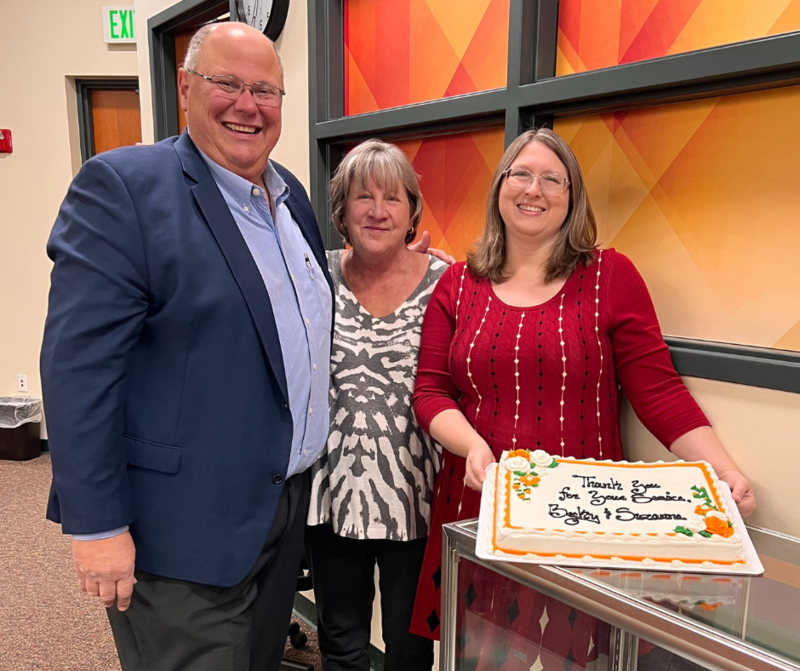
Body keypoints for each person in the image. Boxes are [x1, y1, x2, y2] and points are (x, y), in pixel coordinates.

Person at [41, 22, 333, 671]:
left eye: (265, 89)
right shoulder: (124, 190)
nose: (247, 104)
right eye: (227, 83)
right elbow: (78, 367)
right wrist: (96, 523)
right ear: (185, 88)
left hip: (280, 507)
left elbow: (285, 313)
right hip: (179, 527)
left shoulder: (291, 198)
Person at [408, 128, 755, 666]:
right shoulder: (458, 284)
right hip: (480, 506)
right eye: (521, 174)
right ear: (499, 187)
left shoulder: (610, 276)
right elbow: (431, 391)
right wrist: (473, 447)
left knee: (572, 655)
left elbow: (658, 392)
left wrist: (723, 469)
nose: (534, 189)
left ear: (572, 200)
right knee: (480, 654)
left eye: (553, 179)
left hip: (582, 519)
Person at [306, 140, 446, 671]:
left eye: (393, 197)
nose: (378, 210)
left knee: (410, 650)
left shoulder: (445, 282)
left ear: (412, 210)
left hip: (415, 492)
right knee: (341, 641)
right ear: (341, 210)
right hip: (334, 491)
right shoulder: (314, 276)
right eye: (363, 196)